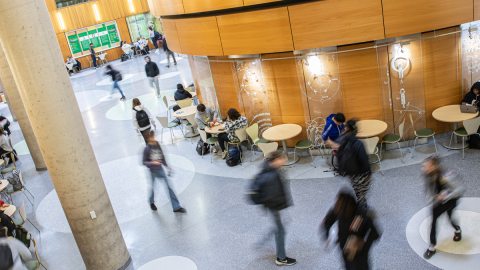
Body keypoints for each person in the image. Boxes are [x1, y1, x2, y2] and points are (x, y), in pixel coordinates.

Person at [249, 150, 296, 266]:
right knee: (280, 230)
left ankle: (264, 242)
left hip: (273, 206)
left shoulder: (269, 168)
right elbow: (274, 196)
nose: (284, 161)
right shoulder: (272, 176)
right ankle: (281, 258)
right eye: (282, 159)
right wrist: (281, 208)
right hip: (275, 207)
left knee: (278, 228)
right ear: (276, 160)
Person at [322, 190, 381, 270]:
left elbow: (375, 233)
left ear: (350, 205)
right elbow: (327, 222)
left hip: (360, 253)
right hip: (344, 247)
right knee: (348, 265)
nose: (337, 207)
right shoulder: (339, 210)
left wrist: (362, 243)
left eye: (340, 205)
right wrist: (327, 236)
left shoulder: (362, 214)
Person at [422, 155, 462, 259]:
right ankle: (432, 247)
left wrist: (445, 195)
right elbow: (428, 190)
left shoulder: (446, 176)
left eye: (427, 166)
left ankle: (457, 230)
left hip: (451, 201)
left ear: (435, 166)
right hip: (437, 202)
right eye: (424, 165)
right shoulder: (427, 174)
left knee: (450, 218)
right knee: (433, 221)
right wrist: (433, 199)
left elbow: (459, 190)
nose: (424, 168)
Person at [327, 119, 371, 208]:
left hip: (351, 173)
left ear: (346, 128)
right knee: (361, 194)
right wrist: (368, 173)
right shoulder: (358, 144)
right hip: (361, 174)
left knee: (357, 189)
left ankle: (360, 202)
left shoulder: (340, 140)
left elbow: (335, 153)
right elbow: (364, 161)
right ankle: (361, 211)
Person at [143, 131, 186, 213]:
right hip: (152, 172)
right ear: (148, 139)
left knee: (169, 187)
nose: (153, 138)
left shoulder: (157, 144)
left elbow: (162, 156)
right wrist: (152, 163)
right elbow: (144, 162)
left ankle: (176, 207)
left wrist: (167, 166)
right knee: (153, 188)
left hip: (160, 170)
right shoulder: (146, 149)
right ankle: (151, 202)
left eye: (153, 136)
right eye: (151, 137)